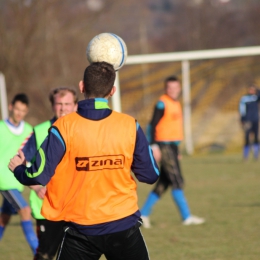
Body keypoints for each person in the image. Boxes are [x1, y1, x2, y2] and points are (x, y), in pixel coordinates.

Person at [8, 61, 159, 260]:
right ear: (112, 91)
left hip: (81, 231)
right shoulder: (130, 125)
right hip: (124, 226)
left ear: (82, 87)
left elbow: (38, 175)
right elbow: (150, 175)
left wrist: (18, 169)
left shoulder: (63, 127)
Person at [140, 76, 205, 228]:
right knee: (177, 180)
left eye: (176, 88)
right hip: (164, 145)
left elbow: (174, 129)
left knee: (164, 182)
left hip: (172, 147)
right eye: (170, 88)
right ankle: (186, 217)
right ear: (165, 88)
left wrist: (178, 149)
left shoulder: (176, 103)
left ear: (180, 88)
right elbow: (152, 125)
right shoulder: (162, 103)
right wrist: (154, 146)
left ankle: (143, 214)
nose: (173, 90)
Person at [22, 87, 78, 260]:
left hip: (76, 206)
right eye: (59, 104)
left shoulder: (83, 130)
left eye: (67, 104)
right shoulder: (39, 132)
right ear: (52, 106)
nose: (63, 108)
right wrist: (36, 186)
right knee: (45, 255)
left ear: (75, 106)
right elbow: (20, 162)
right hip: (47, 208)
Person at [0, 93, 38, 254]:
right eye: (16, 109)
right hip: (4, 180)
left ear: (26, 111)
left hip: (18, 181)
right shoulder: (1, 128)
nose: (19, 113)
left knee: (4, 218)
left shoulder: (29, 131)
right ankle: (39, 253)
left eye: (23, 111)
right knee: (25, 210)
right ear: (11, 107)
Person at [239, 84, 260, 160]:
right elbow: (241, 109)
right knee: (247, 138)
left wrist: (258, 90)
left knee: (256, 138)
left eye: (253, 89)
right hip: (248, 121)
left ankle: (256, 155)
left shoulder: (256, 98)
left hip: (256, 120)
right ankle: (246, 156)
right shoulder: (244, 98)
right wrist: (242, 119)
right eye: (250, 89)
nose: (251, 91)